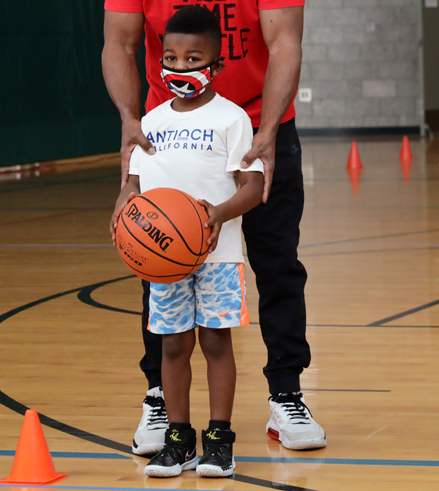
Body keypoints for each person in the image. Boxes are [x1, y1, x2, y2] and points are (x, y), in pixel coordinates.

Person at [101, 0, 327, 456]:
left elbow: (285, 42)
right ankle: (160, 398)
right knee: (159, 258)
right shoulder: (158, 119)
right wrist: (130, 121)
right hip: (170, 129)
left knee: (278, 259)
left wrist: (266, 132)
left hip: (258, 123)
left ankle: (286, 393)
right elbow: (119, 44)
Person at [109, 7, 264, 477]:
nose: (179, 68)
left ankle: (219, 440)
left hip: (218, 256)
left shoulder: (232, 119)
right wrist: (122, 207)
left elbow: (254, 188)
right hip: (166, 262)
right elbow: (133, 186)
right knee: (172, 348)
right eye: (171, 58)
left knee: (216, 344)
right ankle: (179, 440)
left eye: (193, 58)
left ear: (216, 66)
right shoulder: (150, 122)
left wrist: (216, 213)